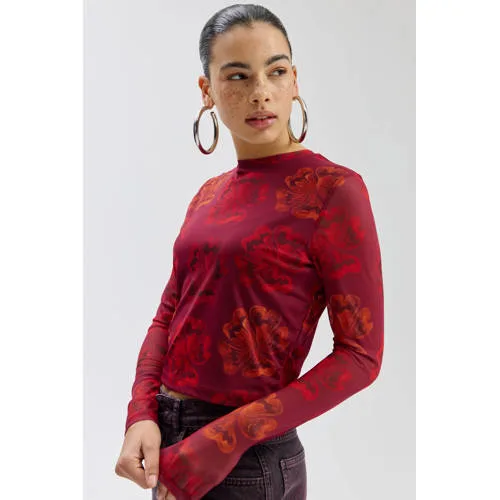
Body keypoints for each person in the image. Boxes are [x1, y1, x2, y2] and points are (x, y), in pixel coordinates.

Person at [115, 4, 384, 500]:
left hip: (245, 457)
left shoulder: (333, 191)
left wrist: (224, 440)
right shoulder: (209, 194)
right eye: (238, 76)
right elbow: (169, 314)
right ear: (207, 91)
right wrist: (141, 414)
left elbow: (360, 357)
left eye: (275, 71)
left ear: (295, 80)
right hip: (170, 445)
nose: (260, 91)